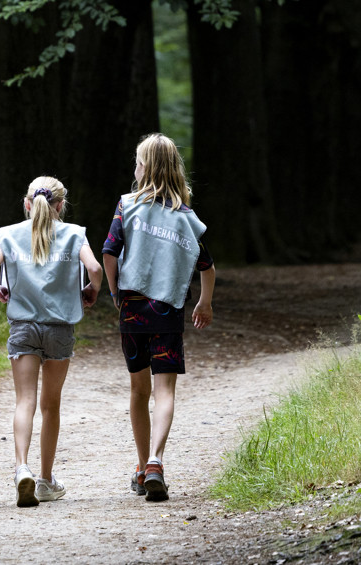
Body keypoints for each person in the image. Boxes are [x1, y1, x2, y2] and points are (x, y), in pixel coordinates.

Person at [102, 134, 215, 503]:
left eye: (137, 162)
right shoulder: (186, 218)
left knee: (139, 390)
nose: (134, 168)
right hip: (167, 313)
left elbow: (109, 253)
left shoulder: (127, 205)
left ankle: (141, 467)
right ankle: (155, 461)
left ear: (146, 167)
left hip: (133, 312)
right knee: (164, 390)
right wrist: (204, 303)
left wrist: (116, 293)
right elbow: (207, 266)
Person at [0, 176, 103, 507]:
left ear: (27, 204)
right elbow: (95, 268)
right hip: (59, 329)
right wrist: (92, 289)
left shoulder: (9, 235)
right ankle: (46, 480)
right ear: (60, 206)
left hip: (23, 326)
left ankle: (21, 468)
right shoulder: (74, 234)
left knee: (25, 401)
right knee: (50, 406)